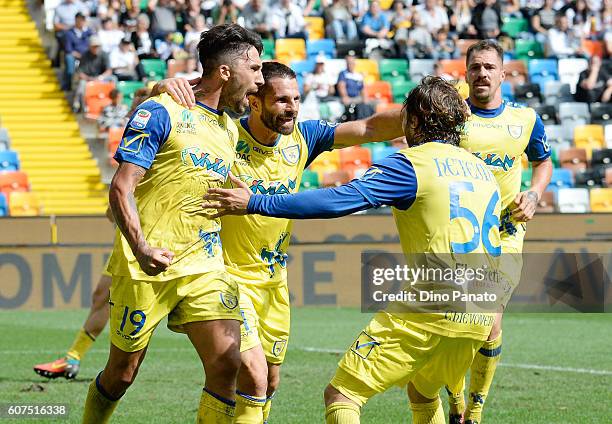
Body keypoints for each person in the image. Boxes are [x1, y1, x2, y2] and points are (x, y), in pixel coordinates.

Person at [200, 76, 503, 424]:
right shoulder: (482, 170)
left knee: (342, 396)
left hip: (432, 304)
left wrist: (256, 202)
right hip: (481, 310)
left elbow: (340, 200)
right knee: (423, 391)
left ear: (415, 122)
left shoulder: (411, 164)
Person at [153, 59, 405, 423]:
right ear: (254, 102)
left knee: (268, 382)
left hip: (273, 283)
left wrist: (425, 113)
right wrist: (162, 87)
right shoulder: (223, 133)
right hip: (225, 276)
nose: (292, 109)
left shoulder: (304, 138)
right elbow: (167, 118)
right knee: (252, 375)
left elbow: (367, 127)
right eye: (282, 101)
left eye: (297, 99)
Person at [81, 24, 264, 424]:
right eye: (254, 69)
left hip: (204, 265)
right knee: (121, 375)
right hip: (147, 265)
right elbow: (121, 188)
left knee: (227, 366)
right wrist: (142, 248)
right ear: (226, 72)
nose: (260, 79)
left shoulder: (230, 129)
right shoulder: (162, 110)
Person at [447, 40, 552, 424]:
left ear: (503, 74)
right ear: (466, 73)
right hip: (458, 236)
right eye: (475, 67)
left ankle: (473, 412)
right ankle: (456, 403)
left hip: (506, 234)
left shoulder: (525, 119)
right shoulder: (452, 118)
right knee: (457, 325)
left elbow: (543, 162)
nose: (482, 74)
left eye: (490, 67)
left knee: (489, 319)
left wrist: (536, 194)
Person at [33, 208, 116, 380]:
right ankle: (73, 358)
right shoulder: (131, 181)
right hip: (125, 248)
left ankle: (121, 372)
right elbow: (110, 214)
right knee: (101, 297)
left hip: (157, 245)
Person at [63, 12, 93, 90]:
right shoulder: (69, 33)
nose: (81, 21)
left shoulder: (89, 32)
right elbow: (68, 49)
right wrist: (78, 55)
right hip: (75, 56)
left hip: (88, 55)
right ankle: (68, 83)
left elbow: (94, 43)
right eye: (80, 19)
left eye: (83, 19)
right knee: (69, 58)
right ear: (76, 20)